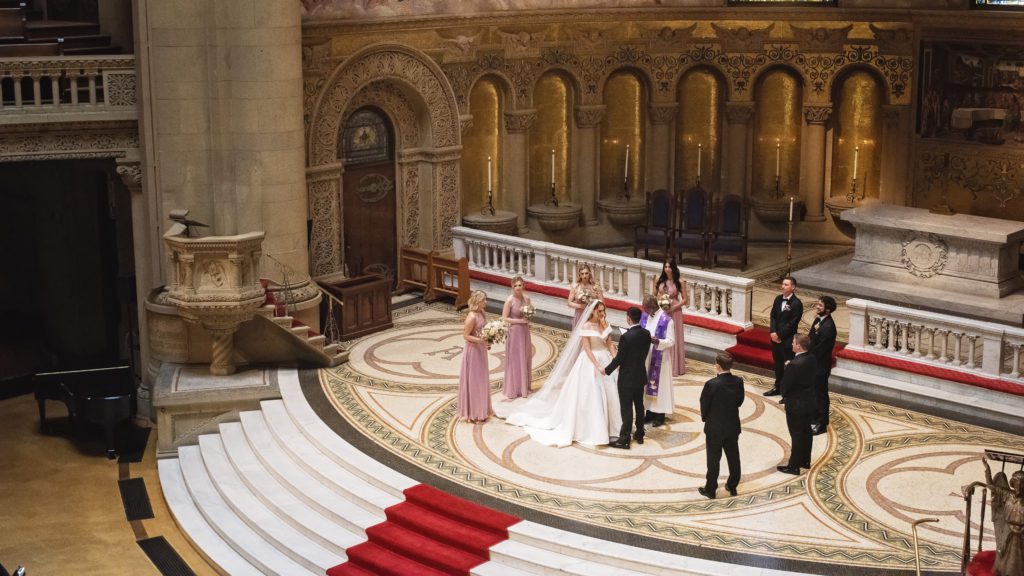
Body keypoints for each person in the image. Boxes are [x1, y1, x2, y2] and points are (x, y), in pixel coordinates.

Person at [498, 300, 621, 447]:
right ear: (592, 311)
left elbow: (610, 345)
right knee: (592, 395)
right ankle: (593, 429)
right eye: (599, 311)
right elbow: (587, 349)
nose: (602, 314)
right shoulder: (586, 326)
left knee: (612, 395)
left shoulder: (605, 325)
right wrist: (597, 365)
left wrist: (616, 360)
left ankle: (612, 428)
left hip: (606, 359)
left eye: (603, 311)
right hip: (591, 362)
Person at [603, 306, 652, 449]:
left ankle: (624, 439)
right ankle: (640, 434)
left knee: (626, 408)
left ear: (628, 319)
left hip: (626, 378)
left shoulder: (626, 337)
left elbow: (619, 359)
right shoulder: (646, 333)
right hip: (640, 375)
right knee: (639, 406)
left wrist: (606, 370)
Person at [698, 352, 745, 499]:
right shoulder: (738, 381)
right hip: (732, 425)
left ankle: (710, 489)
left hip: (715, 427)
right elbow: (739, 401)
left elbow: (704, 404)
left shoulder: (712, 384)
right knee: (733, 457)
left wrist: (705, 418)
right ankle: (732, 485)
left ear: (717, 366)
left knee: (713, 459)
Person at [777, 334, 817, 476]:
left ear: (799, 346)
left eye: (793, 342)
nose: (792, 344)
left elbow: (785, 386)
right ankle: (805, 460)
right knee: (806, 432)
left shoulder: (794, 365)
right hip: (809, 401)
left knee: (797, 434)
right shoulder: (812, 358)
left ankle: (794, 466)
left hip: (796, 405)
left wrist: (785, 395)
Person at [983, 459, 1024, 576]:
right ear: (1013, 483)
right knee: (1002, 550)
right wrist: (987, 470)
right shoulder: (1007, 494)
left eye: (1022, 484)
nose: (1019, 487)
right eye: (1017, 483)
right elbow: (990, 485)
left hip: (1022, 532)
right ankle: (1002, 570)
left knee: (1019, 555)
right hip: (1008, 528)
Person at [458, 290, 492, 423]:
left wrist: (489, 339)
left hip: (481, 350)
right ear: (477, 301)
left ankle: (482, 410)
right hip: (473, 352)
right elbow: (465, 336)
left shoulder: (482, 313)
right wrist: (480, 341)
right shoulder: (471, 317)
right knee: (474, 381)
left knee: (482, 380)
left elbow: (484, 329)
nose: (486, 302)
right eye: (484, 300)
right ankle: (474, 412)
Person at [641, 294, 675, 427]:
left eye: (645, 308)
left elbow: (671, 341)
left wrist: (658, 341)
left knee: (659, 387)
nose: (643, 310)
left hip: (660, 358)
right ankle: (648, 413)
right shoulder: (646, 316)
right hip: (647, 356)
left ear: (652, 307)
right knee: (646, 385)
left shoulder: (667, 320)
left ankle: (659, 415)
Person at [765, 277, 803, 397]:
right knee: (778, 365)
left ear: (793, 287)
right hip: (775, 338)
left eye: (786, 285)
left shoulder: (797, 303)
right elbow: (773, 316)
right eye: (782, 284)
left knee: (787, 366)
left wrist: (779, 335)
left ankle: (787, 392)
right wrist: (772, 332)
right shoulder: (777, 299)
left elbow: (793, 323)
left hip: (787, 340)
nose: (783, 286)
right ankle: (777, 387)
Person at [808, 295, 837, 436]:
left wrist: (807, 358)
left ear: (828, 309)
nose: (817, 307)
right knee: (813, 393)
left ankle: (822, 423)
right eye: (818, 304)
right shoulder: (818, 320)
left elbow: (821, 349)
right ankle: (814, 417)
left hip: (820, 366)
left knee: (821, 395)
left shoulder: (829, 327)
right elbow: (810, 338)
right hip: (813, 364)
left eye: (820, 305)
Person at [654, 258, 687, 377]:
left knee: (674, 336)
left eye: (669, 267)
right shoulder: (659, 280)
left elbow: (685, 300)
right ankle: (662, 363)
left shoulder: (680, 281)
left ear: (673, 268)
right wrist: (659, 305)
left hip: (675, 312)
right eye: (665, 267)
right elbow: (654, 296)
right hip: (662, 311)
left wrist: (674, 307)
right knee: (662, 335)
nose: (667, 269)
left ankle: (675, 367)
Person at [502, 276, 532, 399]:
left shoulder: (527, 298)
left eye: (520, 285)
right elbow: (504, 318)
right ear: (512, 287)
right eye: (516, 286)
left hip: (525, 331)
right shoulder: (510, 300)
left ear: (523, 285)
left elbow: (529, 313)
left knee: (525, 357)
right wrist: (520, 321)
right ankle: (514, 388)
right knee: (515, 359)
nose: (518, 288)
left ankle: (524, 387)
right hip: (514, 332)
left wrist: (528, 319)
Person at [567, 263, 604, 329]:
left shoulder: (596, 287)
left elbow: (602, 303)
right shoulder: (575, 286)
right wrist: (581, 306)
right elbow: (569, 303)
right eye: (582, 274)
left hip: (592, 316)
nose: (584, 276)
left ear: (589, 273)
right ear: (579, 275)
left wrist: (592, 307)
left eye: (586, 273)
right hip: (579, 316)